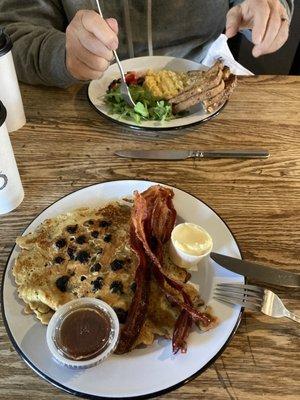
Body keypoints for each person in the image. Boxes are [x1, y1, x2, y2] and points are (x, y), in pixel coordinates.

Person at [0, 0, 294, 88]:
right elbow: (13, 31)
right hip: (85, 88)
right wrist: (61, 55)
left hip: (206, 78)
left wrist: (269, 7)